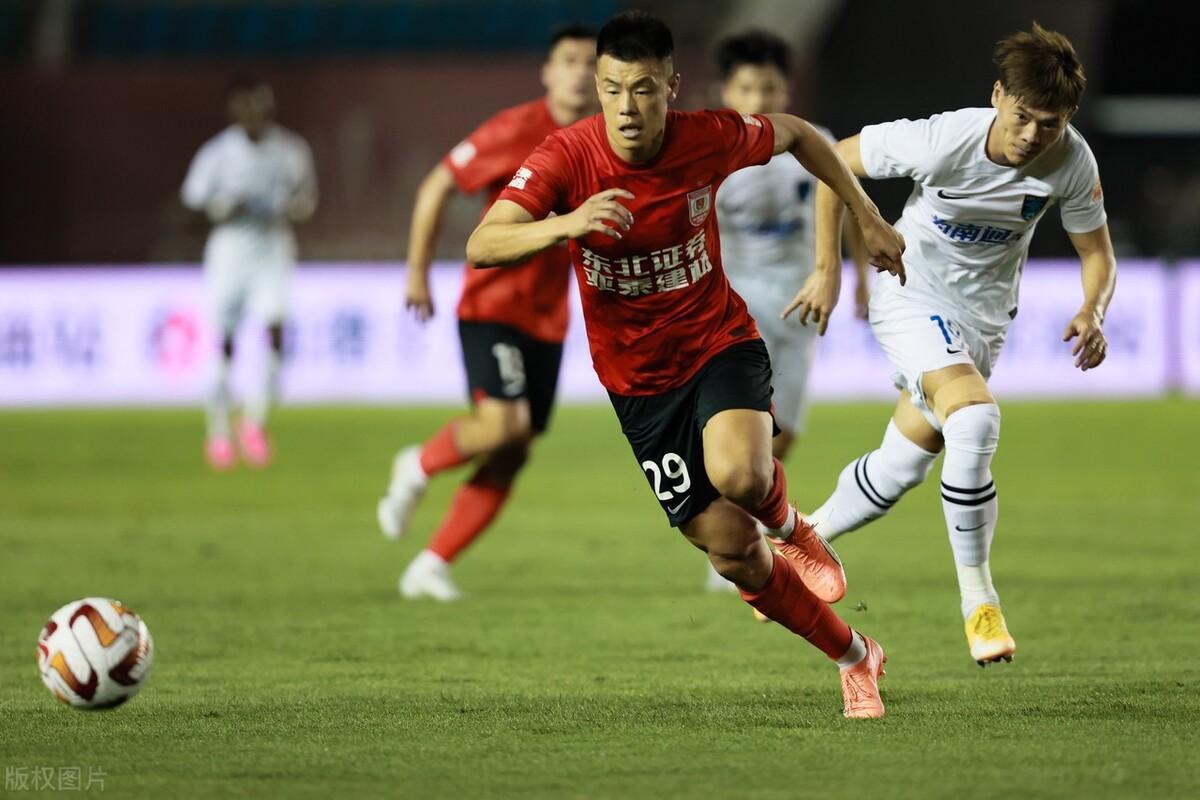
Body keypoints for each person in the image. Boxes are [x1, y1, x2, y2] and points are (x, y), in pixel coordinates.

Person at [468, 11, 907, 718]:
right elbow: (483, 244)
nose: (626, 106)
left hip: (716, 341)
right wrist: (568, 223)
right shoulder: (566, 156)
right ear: (598, 87)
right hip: (638, 385)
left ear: (670, 87)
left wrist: (867, 215)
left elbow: (801, 135)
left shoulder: (708, 136)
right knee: (732, 553)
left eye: (643, 88)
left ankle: (794, 529)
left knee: (742, 474)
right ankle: (856, 655)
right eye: (612, 88)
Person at [784, 23, 1115, 666]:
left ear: (1068, 119)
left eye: (1049, 124)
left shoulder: (1072, 163)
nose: (1032, 135)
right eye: (1022, 117)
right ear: (998, 96)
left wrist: (1092, 309)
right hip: (911, 291)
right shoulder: (941, 139)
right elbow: (831, 164)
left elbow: (1096, 252)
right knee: (976, 420)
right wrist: (829, 266)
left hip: (984, 321)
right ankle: (979, 603)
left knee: (904, 464)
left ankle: (801, 541)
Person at [377, 26, 598, 601]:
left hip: (549, 320)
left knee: (513, 451)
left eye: (590, 63)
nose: (580, 72)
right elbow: (437, 185)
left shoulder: (602, 139)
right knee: (503, 426)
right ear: (547, 71)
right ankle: (417, 464)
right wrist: (417, 270)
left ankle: (431, 565)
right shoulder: (514, 129)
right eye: (569, 60)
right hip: (492, 306)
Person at [707, 30, 870, 595]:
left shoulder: (812, 142)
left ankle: (741, 533)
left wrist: (859, 276)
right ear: (726, 91)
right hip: (737, 306)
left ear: (787, 90)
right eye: (747, 87)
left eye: (770, 88)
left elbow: (847, 205)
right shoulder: (713, 152)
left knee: (784, 436)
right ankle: (733, 547)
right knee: (744, 430)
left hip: (802, 303)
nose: (759, 98)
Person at [181, 75, 317, 470]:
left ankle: (255, 421)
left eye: (262, 104)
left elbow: (306, 198)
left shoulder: (291, 150)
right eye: (248, 105)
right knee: (224, 341)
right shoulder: (217, 154)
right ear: (234, 110)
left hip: (273, 247)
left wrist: (296, 210)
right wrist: (223, 209)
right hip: (230, 250)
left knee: (276, 330)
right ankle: (219, 430)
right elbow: (190, 204)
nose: (257, 113)